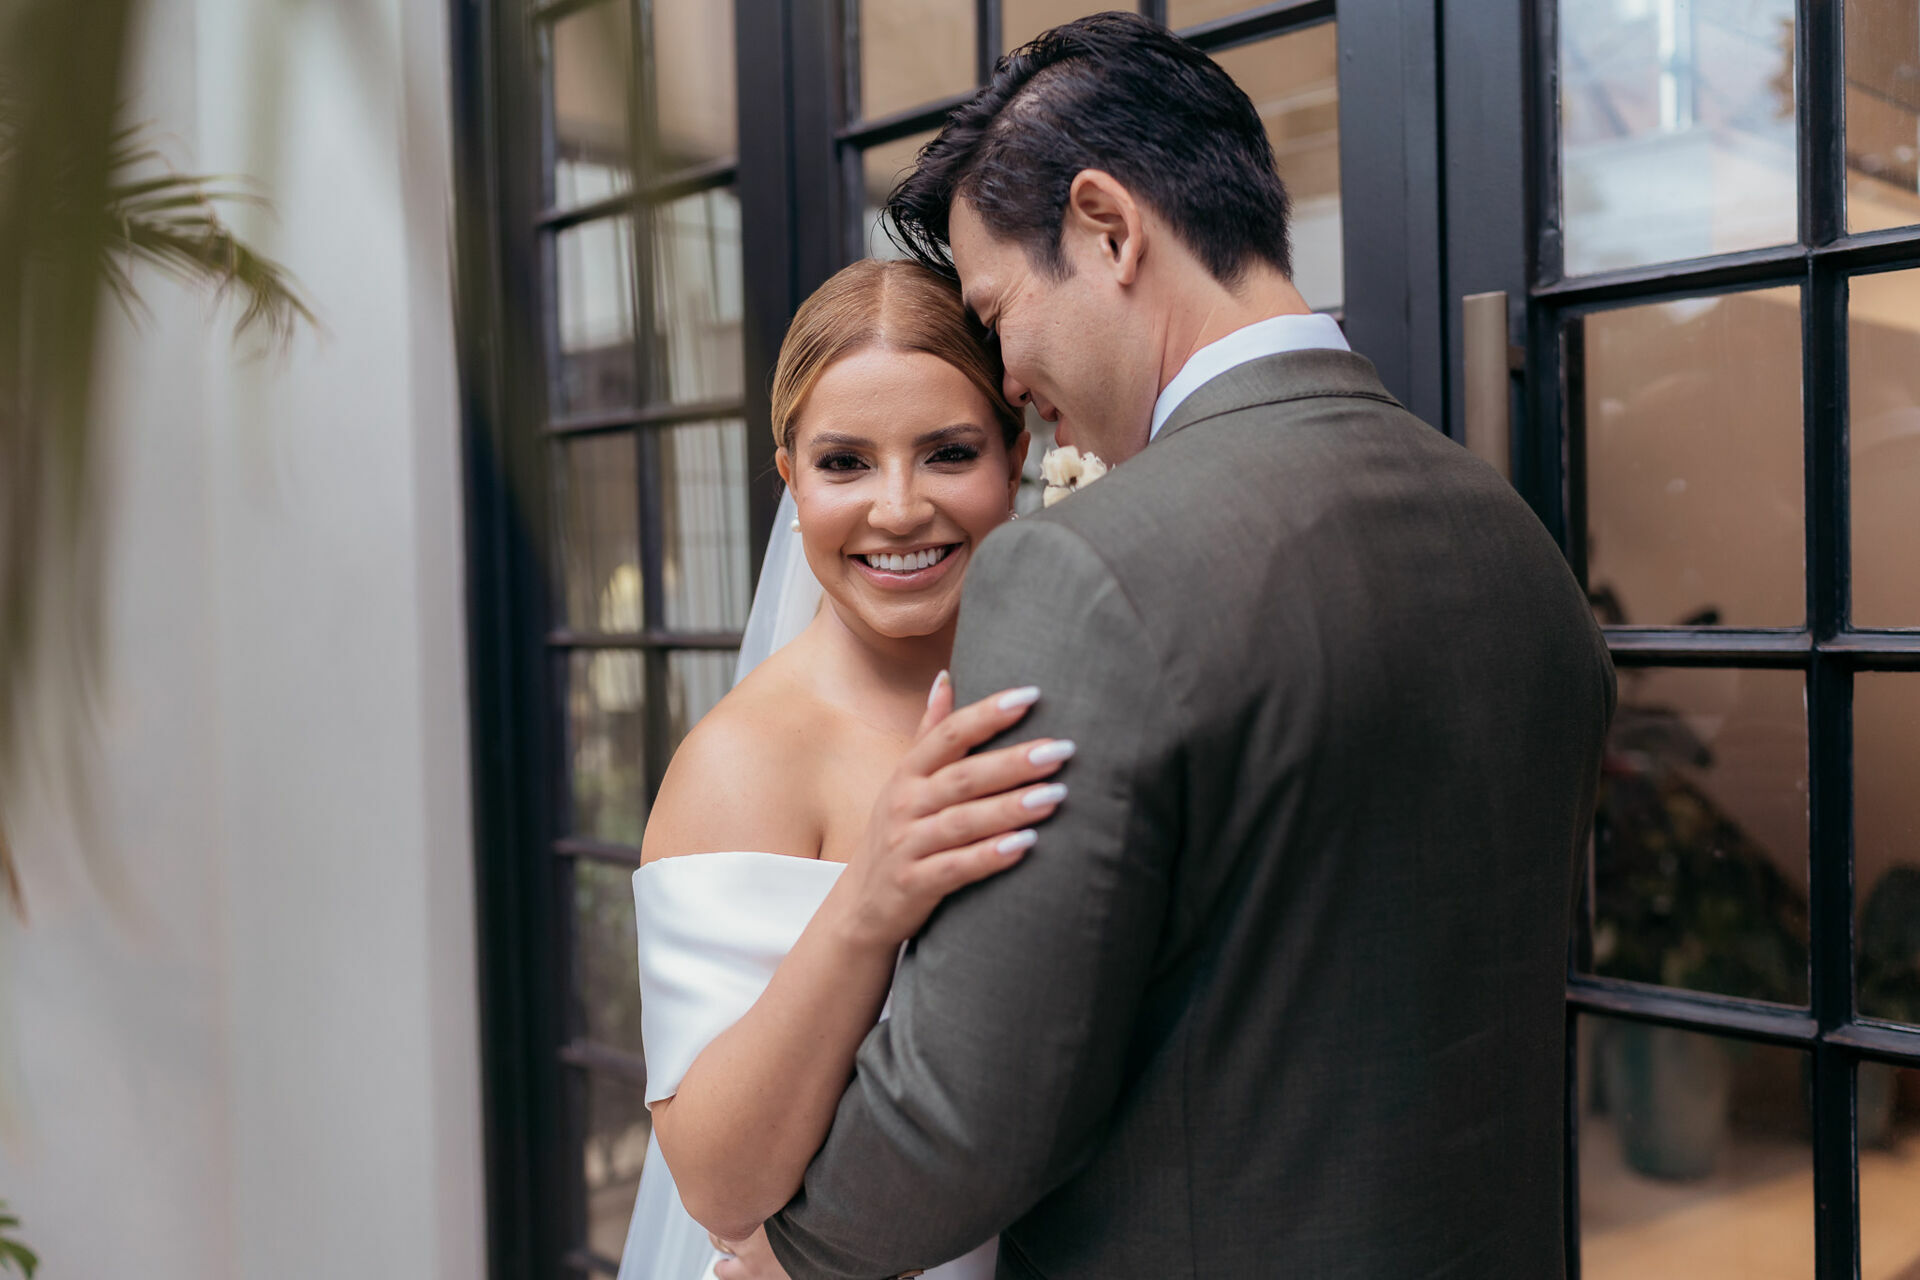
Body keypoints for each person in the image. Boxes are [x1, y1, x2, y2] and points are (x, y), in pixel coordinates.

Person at [758, 13, 1617, 1279]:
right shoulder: (1514, 543)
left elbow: (973, 1100)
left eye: (998, 314)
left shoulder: (1084, 570)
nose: (1007, 378)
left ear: (1109, 229)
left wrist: (793, 1247)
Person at [616, 257, 1060, 1280]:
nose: (898, 508)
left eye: (948, 453)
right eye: (846, 463)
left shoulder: (1071, 685)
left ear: (1016, 455)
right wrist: (871, 892)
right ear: (792, 481)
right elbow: (720, 1187)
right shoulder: (743, 761)